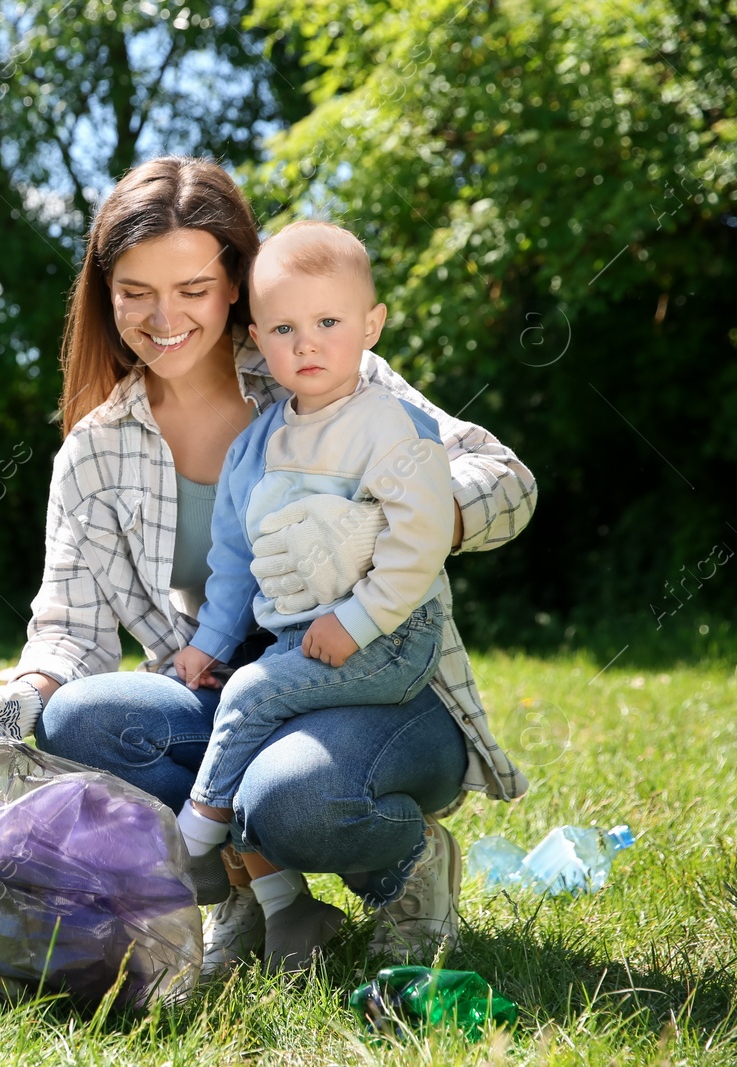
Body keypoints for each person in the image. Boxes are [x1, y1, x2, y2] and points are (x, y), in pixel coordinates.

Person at [0, 157, 533, 974]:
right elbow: (68, 634)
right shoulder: (96, 452)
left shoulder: (315, 366)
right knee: (78, 721)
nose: (162, 316)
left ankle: (410, 865)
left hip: (376, 686)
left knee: (290, 794)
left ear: (236, 284)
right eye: (134, 290)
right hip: (226, 696)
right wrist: (10, 703)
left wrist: (393, 522)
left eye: (192, 290)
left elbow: (507, 483)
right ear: (105, 294)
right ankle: (258, 892)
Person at [168, 220, 456, 970]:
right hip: (302, 639)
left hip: (389, 639)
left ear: (372, 325)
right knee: (251, 710)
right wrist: (209, 640)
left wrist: (358, 618)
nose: (309, 344)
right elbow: (237, 562)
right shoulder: (257, 445)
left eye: (330, 322)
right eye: (286, 328)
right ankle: (279, 908)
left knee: (251, 696)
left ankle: (191, 843)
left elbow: (418, 541)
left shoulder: (389, 426)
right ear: (258, 337)